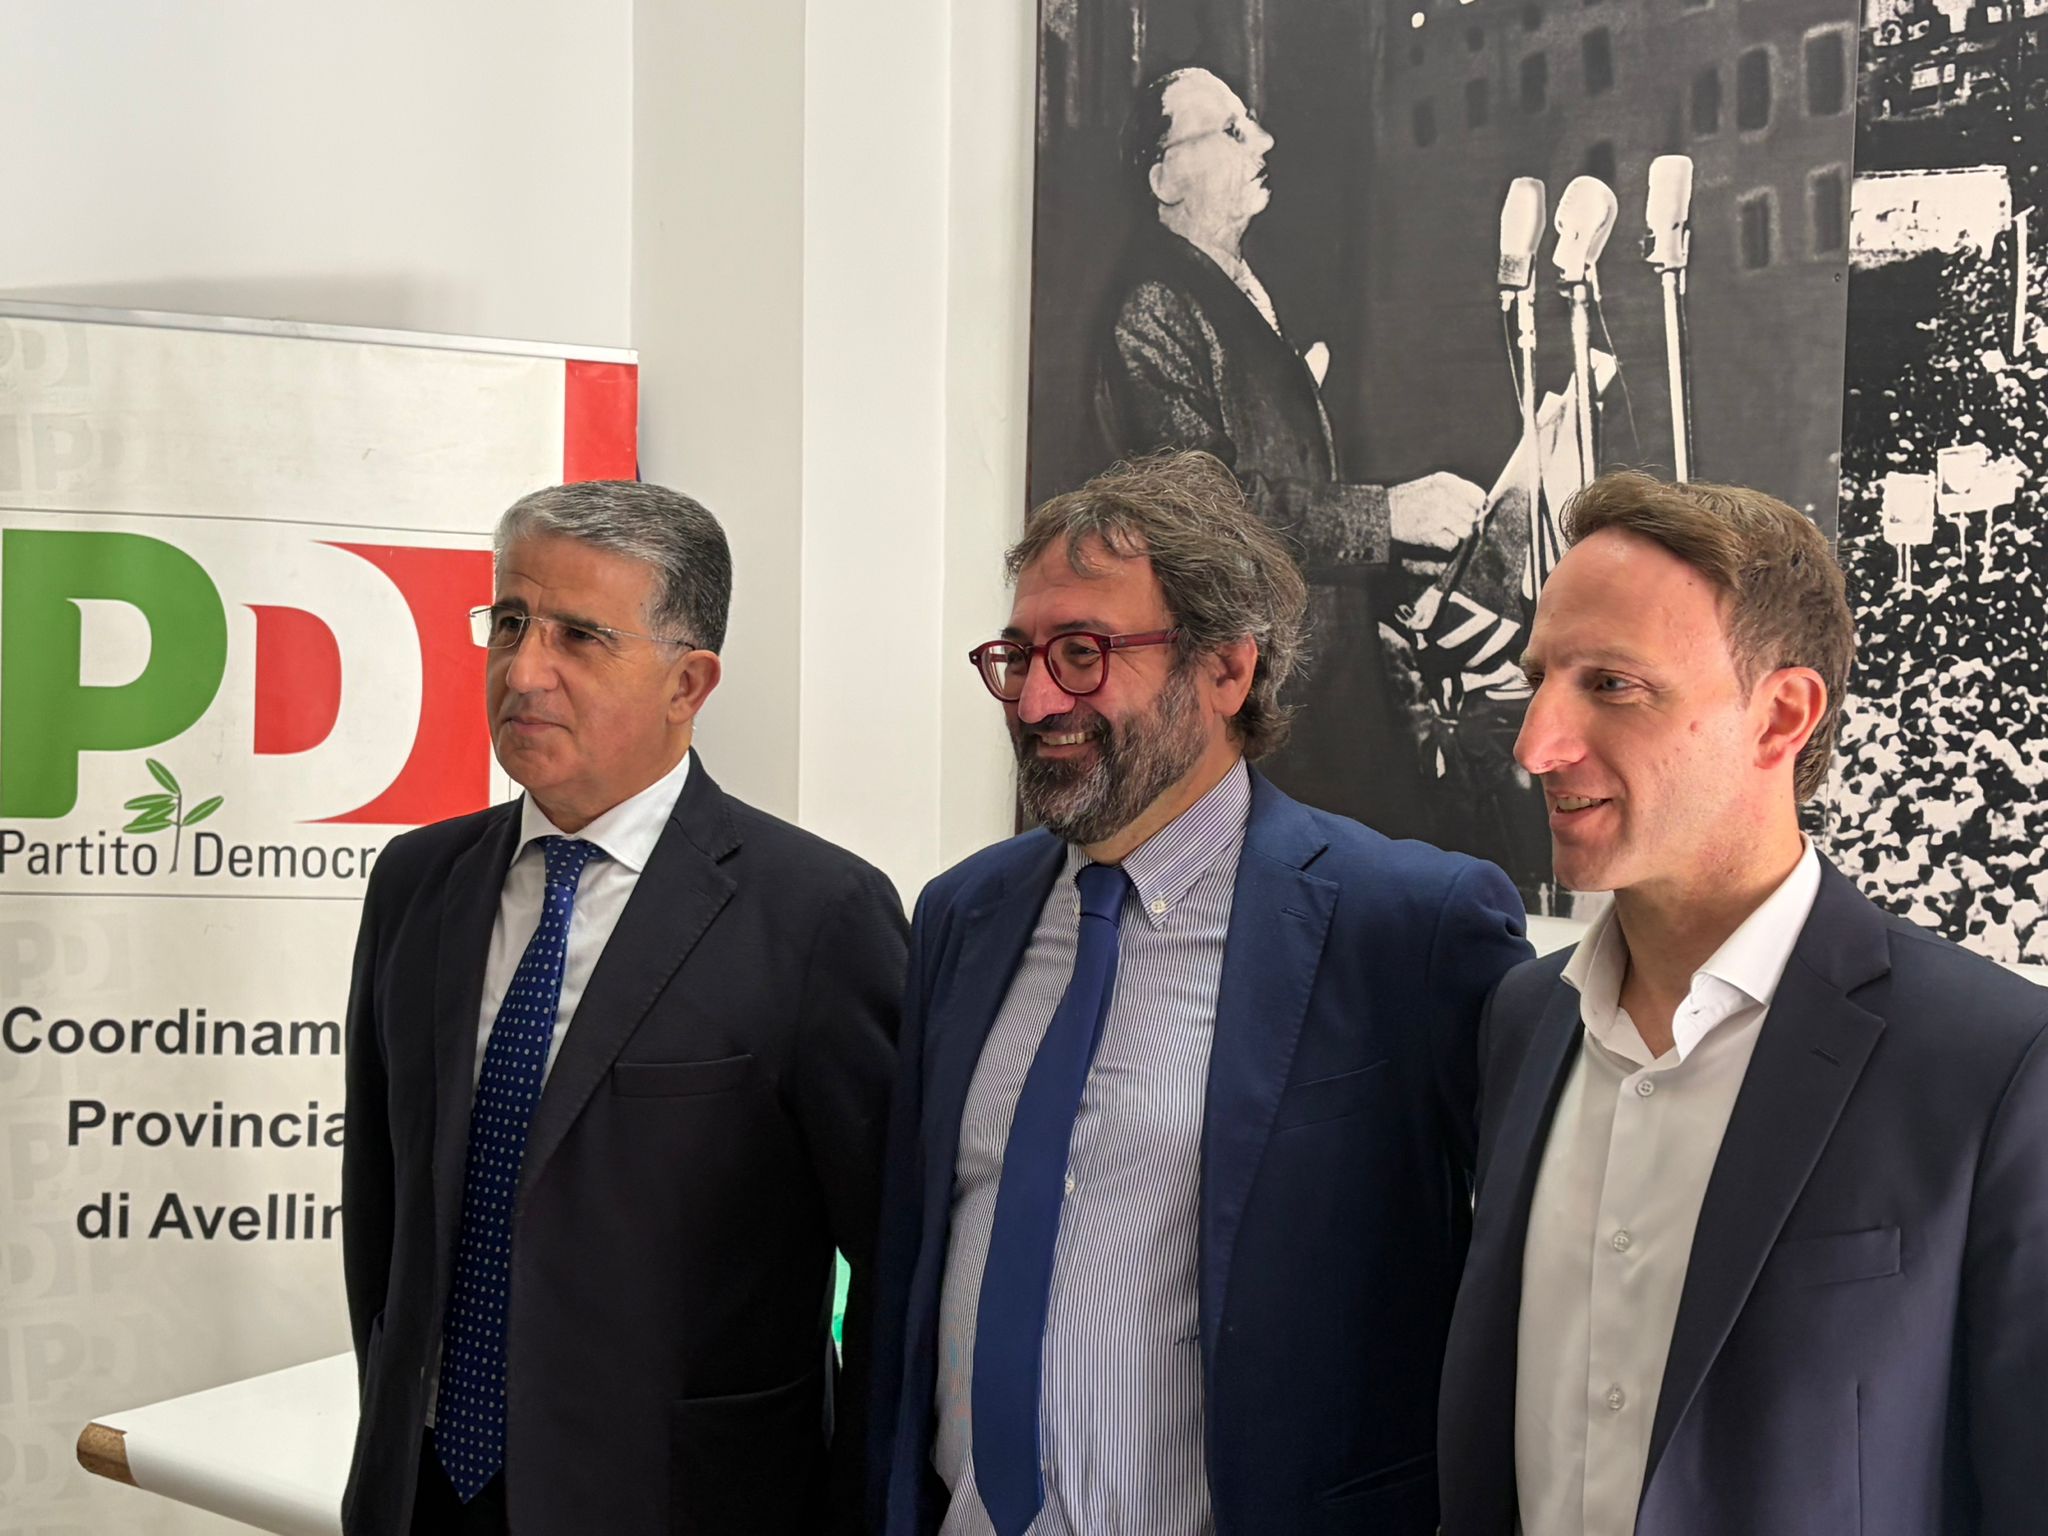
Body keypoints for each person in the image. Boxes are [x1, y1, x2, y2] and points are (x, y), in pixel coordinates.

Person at [869, 450, 1531, 1535]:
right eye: (1018, 656)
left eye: (1083, 653)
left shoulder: (1406, 927)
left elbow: (1521, 1282)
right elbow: (912, 1257)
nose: (1036, 699)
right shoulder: (964, 913)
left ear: (1226, 668)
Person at [1437, 472, 2048, 1535]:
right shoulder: (1523, 1018)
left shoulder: (1993, 1063)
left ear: (1780, 715)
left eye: (1612, 685)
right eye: (1539, 680)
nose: (1535, 745)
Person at [340, 480, 904, 1536]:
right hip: (424, 1493)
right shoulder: (417, 883)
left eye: (579, 636)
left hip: (683, 1502)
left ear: (689, 682)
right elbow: (382, 1213)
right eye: (510, 622)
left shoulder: (818, 916)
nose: (523, 670)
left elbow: (893, 1266)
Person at [1090, 66, 1491, 839]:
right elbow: (1210, 511)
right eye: (1233, 130)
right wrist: (1388, 518)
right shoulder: (1156, 307)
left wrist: (1394, 567)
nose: (1265, 141)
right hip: (1261, 720)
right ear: (1165, 179)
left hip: (1313, 701)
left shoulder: (1234, 289)